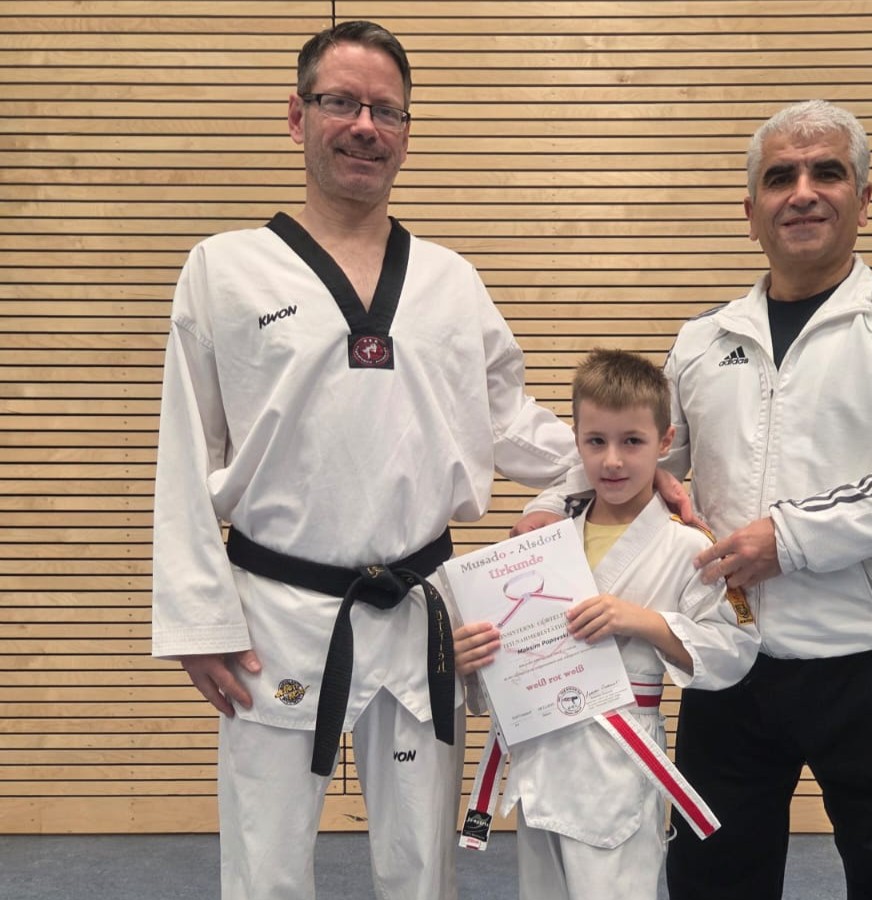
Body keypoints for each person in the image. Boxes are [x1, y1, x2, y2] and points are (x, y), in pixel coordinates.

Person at [150, 20, 598, 900]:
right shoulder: (224, 270)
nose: (364, 125)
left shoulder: (449, 280)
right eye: (341, 103)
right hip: (275, 614)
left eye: (385, 110)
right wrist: (200, 623)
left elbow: (509, 422)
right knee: (266, 865)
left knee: (421, 865)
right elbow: (185, 447)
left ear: (406, 132)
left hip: (421, 613)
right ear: (297, 116)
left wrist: (611, 470)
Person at [652, 100, 872, 899]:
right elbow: (634, 454)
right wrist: (569, 505)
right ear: (751, 211)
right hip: (728, 656)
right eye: (780, 177)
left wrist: (790, 538)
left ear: (863, 200)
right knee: (711, 879)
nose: (802, 192)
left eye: (826, 173)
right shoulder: (703, 339)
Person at [454, 348, 760, 900]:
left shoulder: (687, 545)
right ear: (576, 441)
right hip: (543, 754)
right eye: (596, 441)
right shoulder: (543, 545)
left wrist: (643, 621)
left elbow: (732, 647)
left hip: (619, 757)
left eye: (632, 441)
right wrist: (475, 657)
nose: (612, 460)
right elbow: (510, 657)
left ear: (665, 443)